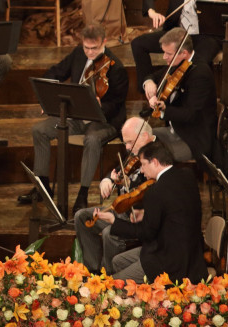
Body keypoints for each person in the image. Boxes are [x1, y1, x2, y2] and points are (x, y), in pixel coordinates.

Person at [18, 23, 129, 212]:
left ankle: (83, 194)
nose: (90, 52)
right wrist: (47, 96)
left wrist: (99, 104)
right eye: (86, 47)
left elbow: (117, 104)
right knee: (40, 130)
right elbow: (56, 71)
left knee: (92, 139)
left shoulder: (116, 67)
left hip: (104, 121)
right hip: (76, 116)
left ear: (104, 42)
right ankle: (43, 186)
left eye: (94, 48)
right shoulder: (79, 54)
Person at [93, 139, 207, 282]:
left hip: (169, 262)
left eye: (143, 164)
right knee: (117, 261)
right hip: (191, 254)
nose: (141, 170)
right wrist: (146, 214)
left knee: (113, 284)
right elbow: (176, 211)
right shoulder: (187, 175)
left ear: (155, 162)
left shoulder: (155, 191)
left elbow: (145, 233)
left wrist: (113, 221)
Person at [73, 117, 155, 274]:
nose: (128, 148)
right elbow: (120, 169)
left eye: (130, 142)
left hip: (138, 216)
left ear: (144, 136)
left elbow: (149, 194)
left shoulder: (157, 155)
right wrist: (108, 180)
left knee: (109, 233)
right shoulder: (135, 151)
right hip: (121, 210)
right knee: (81, 217)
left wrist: (128, 186)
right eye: (126, 144)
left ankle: (112, 277)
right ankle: (94, 271)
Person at [142, 28, 218, 165]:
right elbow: (153, 75)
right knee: (140, 138)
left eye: (168, 53)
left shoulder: (200, 74)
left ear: (184, 53)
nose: (164, 57)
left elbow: (190, 114)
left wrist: (164, 110)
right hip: (174, 131)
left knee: (150, 153)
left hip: (192, 139)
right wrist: (149, 82)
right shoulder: (177, 64)